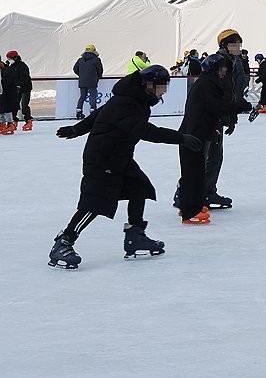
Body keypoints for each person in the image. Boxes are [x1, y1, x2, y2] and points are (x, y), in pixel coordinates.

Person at [48, 65, 203, 268]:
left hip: (119, 156)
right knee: (95, 203)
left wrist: (77, 129)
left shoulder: (134, 98)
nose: (164, 91)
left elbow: (101, 113)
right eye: (162, 86)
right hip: (103, 158)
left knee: (139, 187)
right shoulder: (127, 103)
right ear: (149, 85)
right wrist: (180, 138)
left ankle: (135, 236)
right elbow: (146, 131)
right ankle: (64, 242)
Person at [178, 53, 254, 224]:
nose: (225, 70)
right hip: (194, 134)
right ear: (214, 68)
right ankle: (189, 212)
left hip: (199, 131)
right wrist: (240, 106)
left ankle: (190, 205)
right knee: (194, 173)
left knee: (196, 171)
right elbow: (216, 107)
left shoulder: (209, 83)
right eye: (222, 67)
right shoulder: (207, 85)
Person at [72, 44, 104, 120]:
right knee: (93, 96)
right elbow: (100, 70)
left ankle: (78, 111)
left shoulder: (80, 60)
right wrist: (98, 77)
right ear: (94, 50)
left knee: (82, 96)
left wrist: (81, 75)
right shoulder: (96, 60)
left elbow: (75, 69)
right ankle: (93, 111)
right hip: (92, 81)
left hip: (82, 81)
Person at [6, 50, 32, 131]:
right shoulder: (11, 67)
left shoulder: (22, 66)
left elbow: (24, 77)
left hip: (25, 88)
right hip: (16, 89)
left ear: (15, 58)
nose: (9, 60)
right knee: (14, 105)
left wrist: (19, 85)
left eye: (10, 59)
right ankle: (14, 120)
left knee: (24, 105)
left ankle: (28, 120)